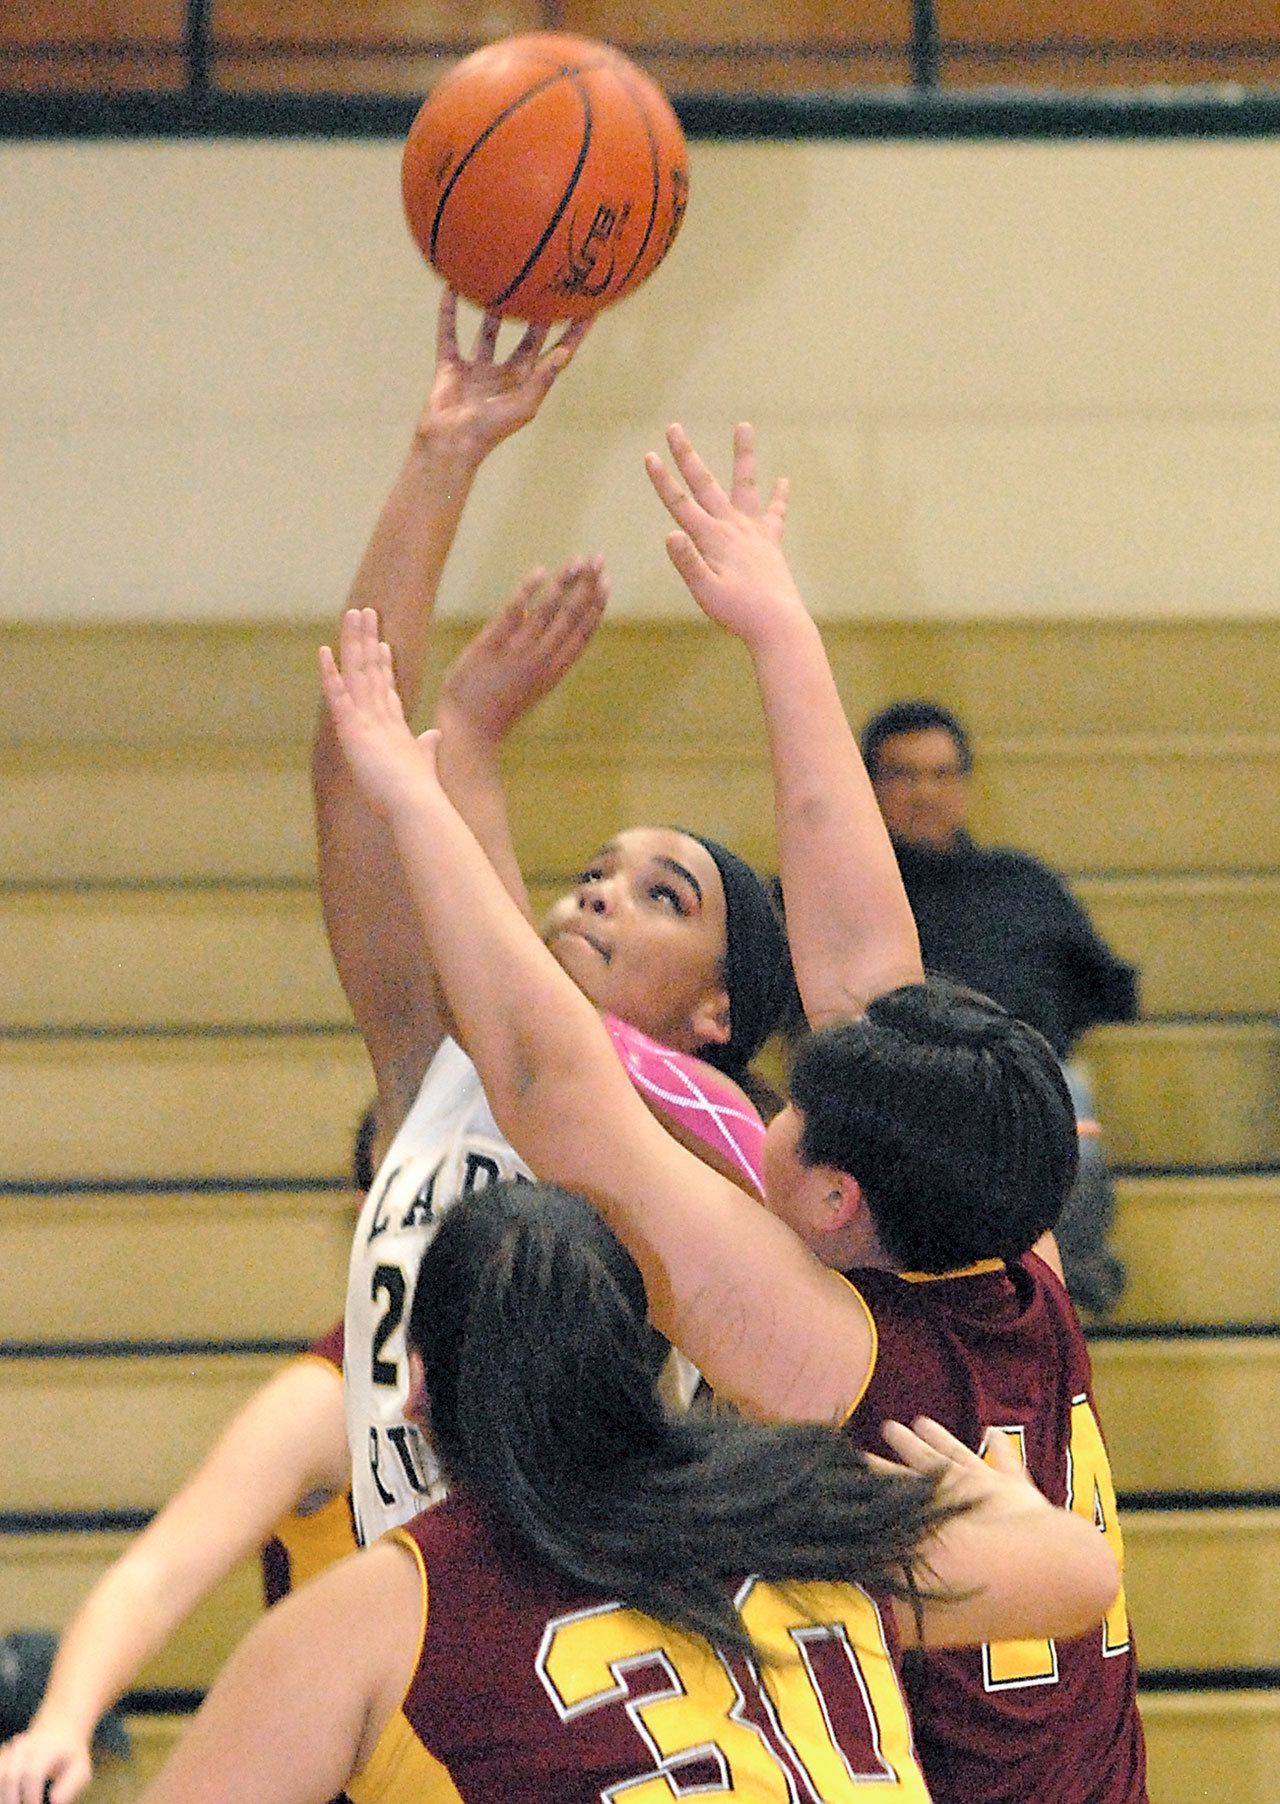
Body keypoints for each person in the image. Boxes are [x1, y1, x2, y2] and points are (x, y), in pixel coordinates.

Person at [318, 418, 1149, 1804]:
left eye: (799, 1109)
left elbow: (554, 1092)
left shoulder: (837, 1347)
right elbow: (868, 970)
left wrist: (421, 792)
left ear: (831, 1201)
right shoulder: (1024, 1267)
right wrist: (778, 631)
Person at [135, 1179, 1120, 1804]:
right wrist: (994, 1495)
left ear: (419, 1380)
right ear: (652, 1359)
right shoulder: (800, 1501)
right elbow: (1078, 1575)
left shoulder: (376, 1611)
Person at [313, 293, 793, 1546]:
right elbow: (351, 765)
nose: (599, 890)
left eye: (660, 894)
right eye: (597, 868)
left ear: (718, 1008)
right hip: (416, 1640)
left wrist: (464, 759)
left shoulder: (698, 1161)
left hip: (586, 1652)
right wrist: (443, 457)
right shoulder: (444, 1070)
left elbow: (550, 1063)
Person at [0, 1101, 377, 1804]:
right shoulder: (325, 1404)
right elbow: (153, 1575)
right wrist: (62, 1720)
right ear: (370, 1211)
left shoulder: (543, 1389)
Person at [859, 698, 1139, 1313]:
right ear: (868, 786)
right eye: (903, 776)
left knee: (1071, 1101)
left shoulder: (1022, 881)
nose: (925, 794)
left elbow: (1112, 990)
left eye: (942, 774)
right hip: (898, 1084)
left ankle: (1069, 1280)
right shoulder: (840, 886)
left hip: (1021, 1081)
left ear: (965, 784)